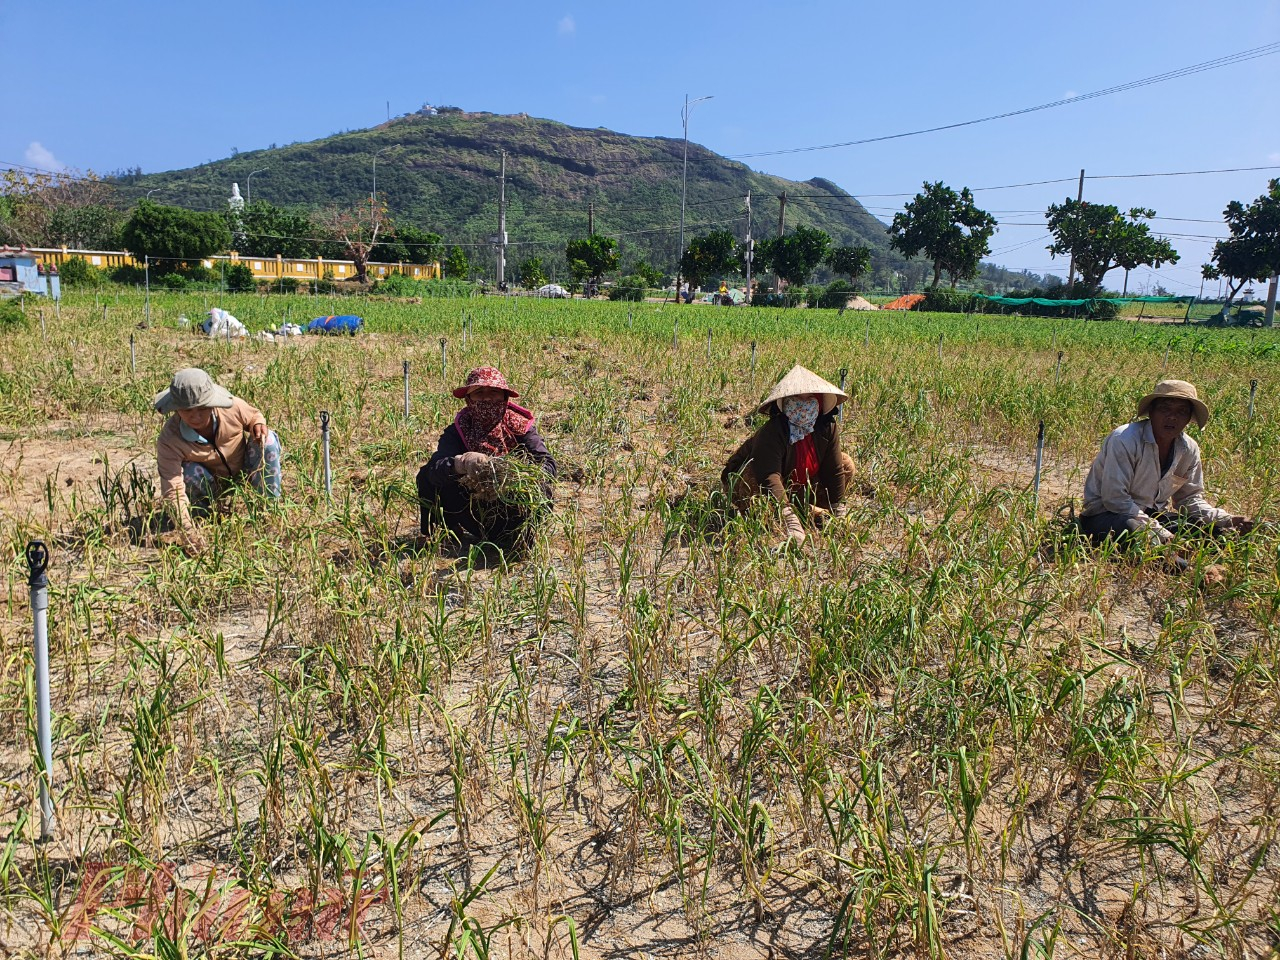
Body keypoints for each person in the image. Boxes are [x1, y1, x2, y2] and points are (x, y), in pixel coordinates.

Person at [1077, 379, 1252, 565]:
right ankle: (1189, 569)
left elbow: (1189, 499)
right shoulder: (1125, 439)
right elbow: (1115, 499)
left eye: (1181, 412)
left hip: (1151, 516)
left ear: (1189, 418)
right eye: (1165, 409)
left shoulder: (1189, 449)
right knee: (1136, 532)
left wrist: (1226, 519)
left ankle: (1192, 559)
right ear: (1151, 412)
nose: (1172, 417)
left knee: (1211, 532)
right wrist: (1160, 533)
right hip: (1108, 516)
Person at [416, 366, 556, 555]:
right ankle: (443, 535)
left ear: (505, 398)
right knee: (425, 475)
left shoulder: (521, 427)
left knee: (541, 486)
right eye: (479, 393)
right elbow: (435, 468)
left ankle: (523, 541)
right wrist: (460, 463)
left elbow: (547, 464)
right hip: (472, 508)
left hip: (511, 510)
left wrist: (516, 473)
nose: (487, 398)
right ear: (468, 400)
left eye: (494, 392)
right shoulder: (458, 430)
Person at [722, 365, 856, 548]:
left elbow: (833, 469)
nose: (803, 404)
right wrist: (789, 521)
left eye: (810, 398)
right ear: (785, 403)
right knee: (751, 474)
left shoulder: (826, 428)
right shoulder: (773, 431)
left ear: (819, 401)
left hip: (797, 484)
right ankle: (773, 516)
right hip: (758, 484)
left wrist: (838, 509)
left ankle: (804, 509)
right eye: (796, 399)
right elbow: (769, 476)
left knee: (846, 463)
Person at [154, 368, 282, 553]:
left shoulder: (232, 408)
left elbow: (254, 415)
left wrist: (257, 424)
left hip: (246, 470)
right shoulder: (170, 439)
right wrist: (188, 533)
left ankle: (270, 510)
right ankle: (204, 515)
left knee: (267, 441)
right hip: (210, 484)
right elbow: (172, 489)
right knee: (189, 471)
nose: (196, 417)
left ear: (213, 403)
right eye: (187, 410)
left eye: (202, 408)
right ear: (176, 408)